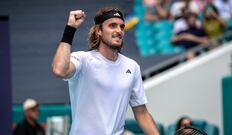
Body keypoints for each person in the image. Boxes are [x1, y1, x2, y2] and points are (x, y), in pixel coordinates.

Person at [52, 7, 160, 135]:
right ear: (98, 30)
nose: (119, 31)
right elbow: (59, 70)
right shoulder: (83, 59)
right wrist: (70, 28)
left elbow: (142, 113)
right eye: (112, 26)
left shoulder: (132, 66)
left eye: (121, 27)